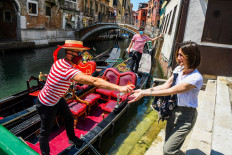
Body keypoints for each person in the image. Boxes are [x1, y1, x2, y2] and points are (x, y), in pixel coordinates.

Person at [36, 40, 135, 155]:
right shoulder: (67, 70)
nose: (81, 57)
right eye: (79, 54)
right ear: (70, 54)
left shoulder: (60, 62)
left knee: (68, 117)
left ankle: (72, 138)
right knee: (44, 132)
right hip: (46, 104)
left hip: (57, 99)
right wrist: (120, 88)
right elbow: (94, 81)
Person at [128, 41, 203, 155]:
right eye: (178, 54)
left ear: (191, 56)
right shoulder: (179, 69)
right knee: (168, 145)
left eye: (181, 55)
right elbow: (165, 85)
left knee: (169, 150)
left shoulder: (195, 78)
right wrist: (143, 90)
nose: (178, 58)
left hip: (186, 116)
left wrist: (145, 94)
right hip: (173, 111)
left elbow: (171, 90)